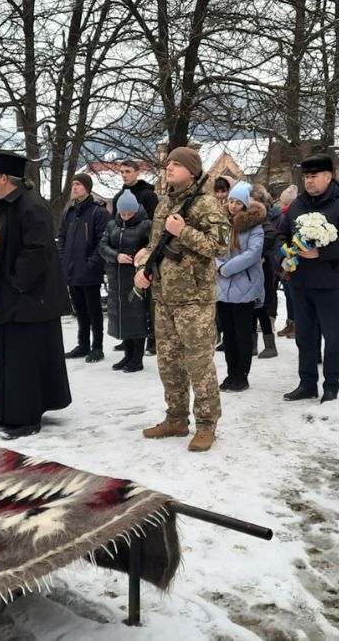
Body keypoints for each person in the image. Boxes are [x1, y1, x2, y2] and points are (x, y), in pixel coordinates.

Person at [134, 146, 229, 452]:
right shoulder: (164, 204)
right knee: (169, 364)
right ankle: (176, 418)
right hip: (165, 297)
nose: (169, 168)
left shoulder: (207, 204)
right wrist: (142, 268)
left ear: (192, 171)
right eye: (168, 163)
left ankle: (206, 424)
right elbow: (155, 246)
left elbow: (221, 247)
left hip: (195, 300)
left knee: (199, 365)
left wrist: (184, 231)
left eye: (177, 164)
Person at [0, 151, 73, 439]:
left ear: (5, 178)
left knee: (24, 359)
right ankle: (10, 410)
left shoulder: (30, 206)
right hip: (15, 299)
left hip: (29, 300)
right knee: (12, 357)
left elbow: (38, 250)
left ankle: (26, 416)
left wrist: (15, 283)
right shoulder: (8, 206)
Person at [273, 154, 339, 402]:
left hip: (328, 282)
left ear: (328, 176)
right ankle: (307, 383)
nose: (309, 181)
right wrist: (282, 257)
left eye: (313, 176)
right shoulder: (297, 205)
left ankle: (331, 385)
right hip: (300, 282)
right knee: (304, 336)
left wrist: (322, 252)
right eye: (306, 177)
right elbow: (281, 235)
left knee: (331, 337)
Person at [215, 182, 266, 391]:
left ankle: (242, 376)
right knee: (228, 334)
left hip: (245, 285)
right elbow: (216, 250)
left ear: (245, 204)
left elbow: (252, 254)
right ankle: (231, 374)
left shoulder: (254, 227)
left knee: (242, 334)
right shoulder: (222, 225)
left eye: (238, 202)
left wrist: (226, 269)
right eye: (231, 201)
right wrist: (218, 266)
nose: (233, 206)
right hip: (222, 288)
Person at [99, 190, 152, 372]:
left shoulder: (145, 225)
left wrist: (143, 252)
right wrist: (116, 256)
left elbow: (153, 244)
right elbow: (103, 246)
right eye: (123, 214)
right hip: (116, 278)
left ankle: (137, 358)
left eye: (130, 214)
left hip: (136, 277)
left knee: (137, 317)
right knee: (122, 318)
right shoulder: (112, 225)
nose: (127, 217)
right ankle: (128, 355)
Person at [59, 173, 109, 362]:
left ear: (87, 188)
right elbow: (61, 237)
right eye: (73, 184)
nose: (74, 187)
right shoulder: (69, 212)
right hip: (72, 270)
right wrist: (63, 260)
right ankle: (83, 344)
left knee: (93, 311)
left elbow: (103, 240)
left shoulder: (98, 212)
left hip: (89, 271)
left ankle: (97, 347)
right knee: (79, 311)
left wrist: (92, 263)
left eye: (78, 184)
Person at [119, 160, 160, 355]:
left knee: (148, 301)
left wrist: (146, 249)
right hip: (125, 255)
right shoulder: (120, 195)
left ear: (137, 172)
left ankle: (152, 339)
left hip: (145, 253)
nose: (124, 175)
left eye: (128, 171)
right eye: (121, 172)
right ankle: (130, 338)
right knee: (129, 301)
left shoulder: (148, 195)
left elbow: (155, 225)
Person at [252, 184, 280, 359]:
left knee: (261, 308)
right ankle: (253, 344)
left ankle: (270, 345)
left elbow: (270, 237)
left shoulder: (263, 218)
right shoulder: (247, 218)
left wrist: (258, 254)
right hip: (251, 270)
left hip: (263, 268)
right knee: (251, 308)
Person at [275, 184, 299, 339]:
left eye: (284, 202)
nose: (282, 205)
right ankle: (290, 323)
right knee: (289, 295)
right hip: (284, 258)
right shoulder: (282, 214)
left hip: (292, 258)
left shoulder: (291, 214)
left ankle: (296, 325)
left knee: (293, 296)